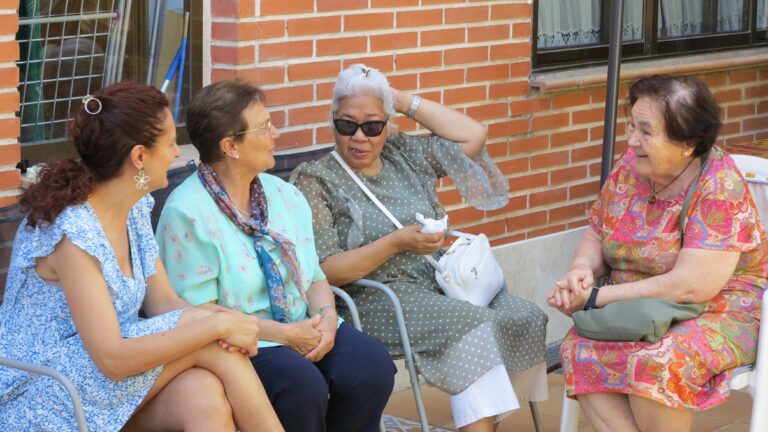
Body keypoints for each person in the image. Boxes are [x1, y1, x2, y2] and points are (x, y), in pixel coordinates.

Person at [0, 82, 283, 431]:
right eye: (168, 144)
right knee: (212, 342)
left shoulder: (132, 209)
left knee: (203, 395)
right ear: (139, 157)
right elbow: (112, 359)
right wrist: (215, 326)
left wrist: (220, 319)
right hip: (43, 393)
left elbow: (164, 302)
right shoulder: (73, 232)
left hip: (97, 381)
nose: (177, 154)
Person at [290, 64, 548, 432]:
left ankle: (490, 415)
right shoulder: (316, 178)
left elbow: (473, 135)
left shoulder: (402, 153)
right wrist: (396, 243)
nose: (359, 137)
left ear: (388, 125)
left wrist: (396, 98)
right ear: (333, 122)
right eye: (346, 125)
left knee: (524, 315)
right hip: (377, 295)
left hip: (440, 279)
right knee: (472, 326)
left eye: (373, 125)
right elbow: (327, 268)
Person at [156, 79, 396, 432]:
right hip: (239, 343)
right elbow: (198, 313)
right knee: (301, 386)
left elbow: (314, 277)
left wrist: (327, 320)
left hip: (304, 325)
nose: (276, 134)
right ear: (230, 146)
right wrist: (287, 335)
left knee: (370, 366)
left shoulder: (284, 196)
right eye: (265, 127)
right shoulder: (186, 214)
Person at [547, 75, 766, 432]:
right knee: (581, 346)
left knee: (657, 360)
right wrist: (581, 269)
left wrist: (598, 297)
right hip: (637, 303)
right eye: (631, 125)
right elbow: (598, 229)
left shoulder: (718, 186)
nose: (632, 140)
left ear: (688, 143)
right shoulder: (632, 166)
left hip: (718, 308)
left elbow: (691, 286)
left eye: (646, 131)